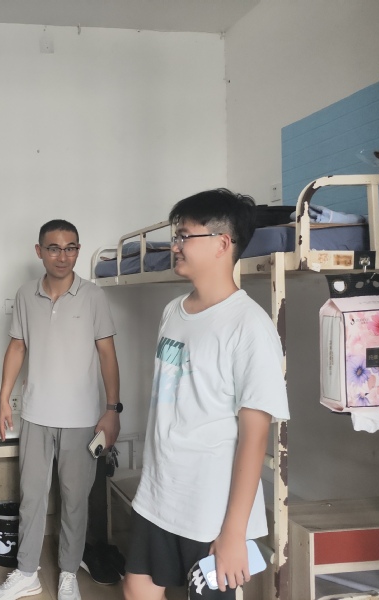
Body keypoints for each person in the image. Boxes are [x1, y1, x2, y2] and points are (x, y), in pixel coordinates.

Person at [123, 189, 290, 600]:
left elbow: (254, 437)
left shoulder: (248, 327)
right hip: (160, 493)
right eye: (175, 236)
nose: (174, 246)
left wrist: (233, 532)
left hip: (209, 507)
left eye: (184, 236)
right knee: (136, 589)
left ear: (221, 243)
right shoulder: (173, 312)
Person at [0, 219, 120, 600]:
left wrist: (112, 409)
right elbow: (17, 347)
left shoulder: (93, 296)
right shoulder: (26, 295)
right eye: (54, 248)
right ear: (39, 251)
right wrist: (3, 398)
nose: (63, 256)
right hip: (35, 414)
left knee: (75, 500)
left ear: (78, 250)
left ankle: (68, 574)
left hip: (82, 418)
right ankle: (26, 571)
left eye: (70, 248)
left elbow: (107, 354)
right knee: (31, 496)